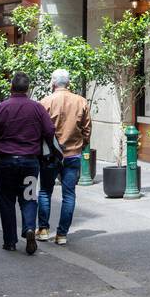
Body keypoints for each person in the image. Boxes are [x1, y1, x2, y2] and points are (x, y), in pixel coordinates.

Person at [0, 72, 58, 255]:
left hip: (5, 163)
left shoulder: (1, 108)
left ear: (11, 87)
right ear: (27, 89)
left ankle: (10, 241)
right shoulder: (37, 108)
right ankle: (29, 228)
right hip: (30, 162)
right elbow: (50, 130)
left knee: (6, 201)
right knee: (29, 198)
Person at [38, 69, 91, 245]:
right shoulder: (81, 101)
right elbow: (87, 129)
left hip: (50, 155)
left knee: (45, 191)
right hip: (73, 153)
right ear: (68, 83)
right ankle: (62, 234)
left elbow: (39, 129)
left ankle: (44, 229)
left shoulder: (45, 102)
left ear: (53, 83)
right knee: (69, 194)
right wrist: (81, 144)